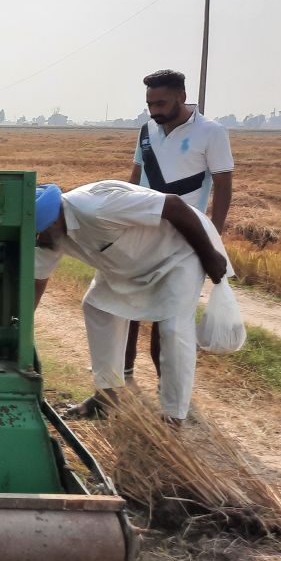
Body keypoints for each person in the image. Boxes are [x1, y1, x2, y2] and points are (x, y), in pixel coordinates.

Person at [33, 180, 230, 423]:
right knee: (97, 307)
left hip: (179, 253)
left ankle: (174, 416)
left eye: (38, 233)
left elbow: (174, 205)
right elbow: (36, 283)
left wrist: (209, 254)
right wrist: (18, 328)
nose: (37, 240)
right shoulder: (48, 236)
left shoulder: (95, 207)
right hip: (130, 264)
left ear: (53, 220)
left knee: (174, 328)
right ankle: (107, 397)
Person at [124, 69, 234, 387]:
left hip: (184, 237)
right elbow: (136, 177)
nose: (154, 110)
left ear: (182, 97)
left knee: (168, 315)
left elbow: (224, 186)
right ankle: (125, 375)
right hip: (142, 231)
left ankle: (166, 384)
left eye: (161, 103)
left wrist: (213, 235)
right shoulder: (146, 130)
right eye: (150, 104)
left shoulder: (212, 132)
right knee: (127, 303)